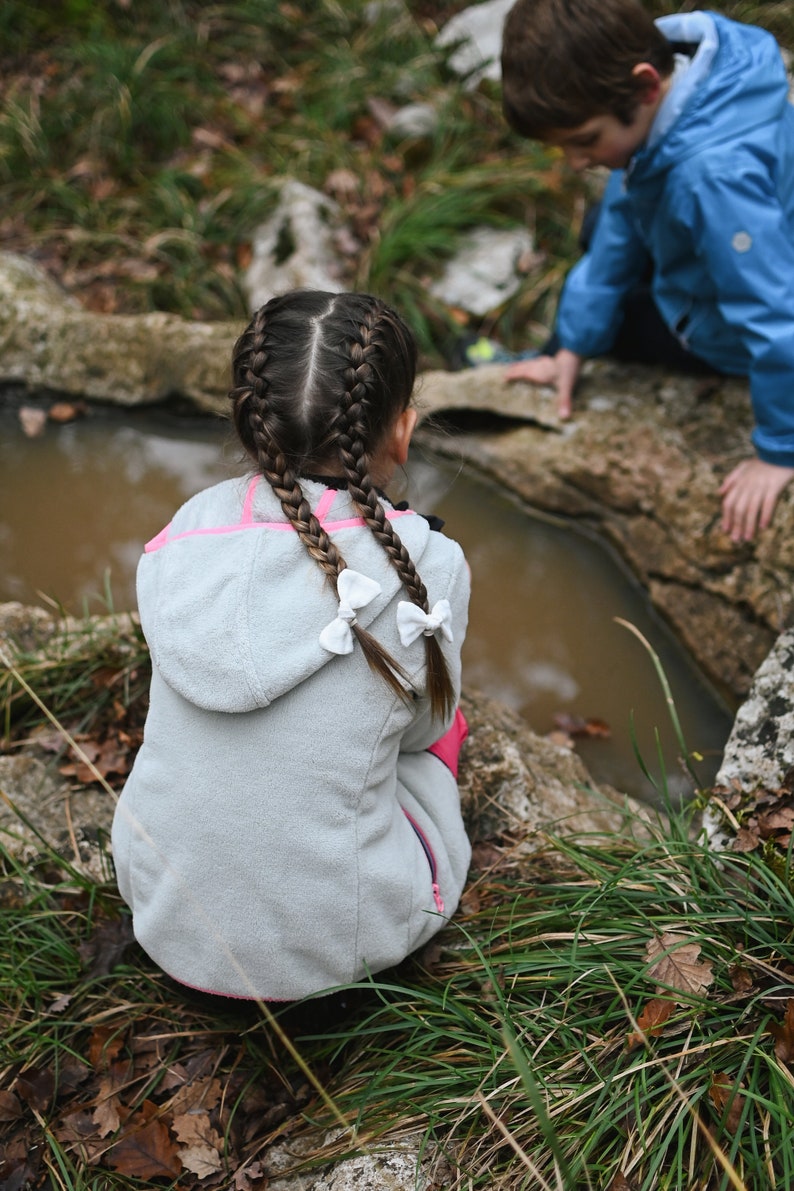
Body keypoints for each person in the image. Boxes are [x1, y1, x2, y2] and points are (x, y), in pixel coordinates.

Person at [111, 290, 472, 1002]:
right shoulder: (427, 561)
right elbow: (426, 726)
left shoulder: (184, 532)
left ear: (248, 424)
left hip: (163, 909)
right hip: (346, 937)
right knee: (444, 730)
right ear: (402, 431)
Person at [500, 0, 794, 543]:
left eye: (585, 140)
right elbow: (624, 208)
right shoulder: (693, 69)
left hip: (736, 310)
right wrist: (571, 344)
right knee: (601, 232)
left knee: (631, 323)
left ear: (646, 86)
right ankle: (555, 355)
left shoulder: (712, 179)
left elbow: (776, 316)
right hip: (730, 245)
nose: (574, 161)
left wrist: (780, 450)